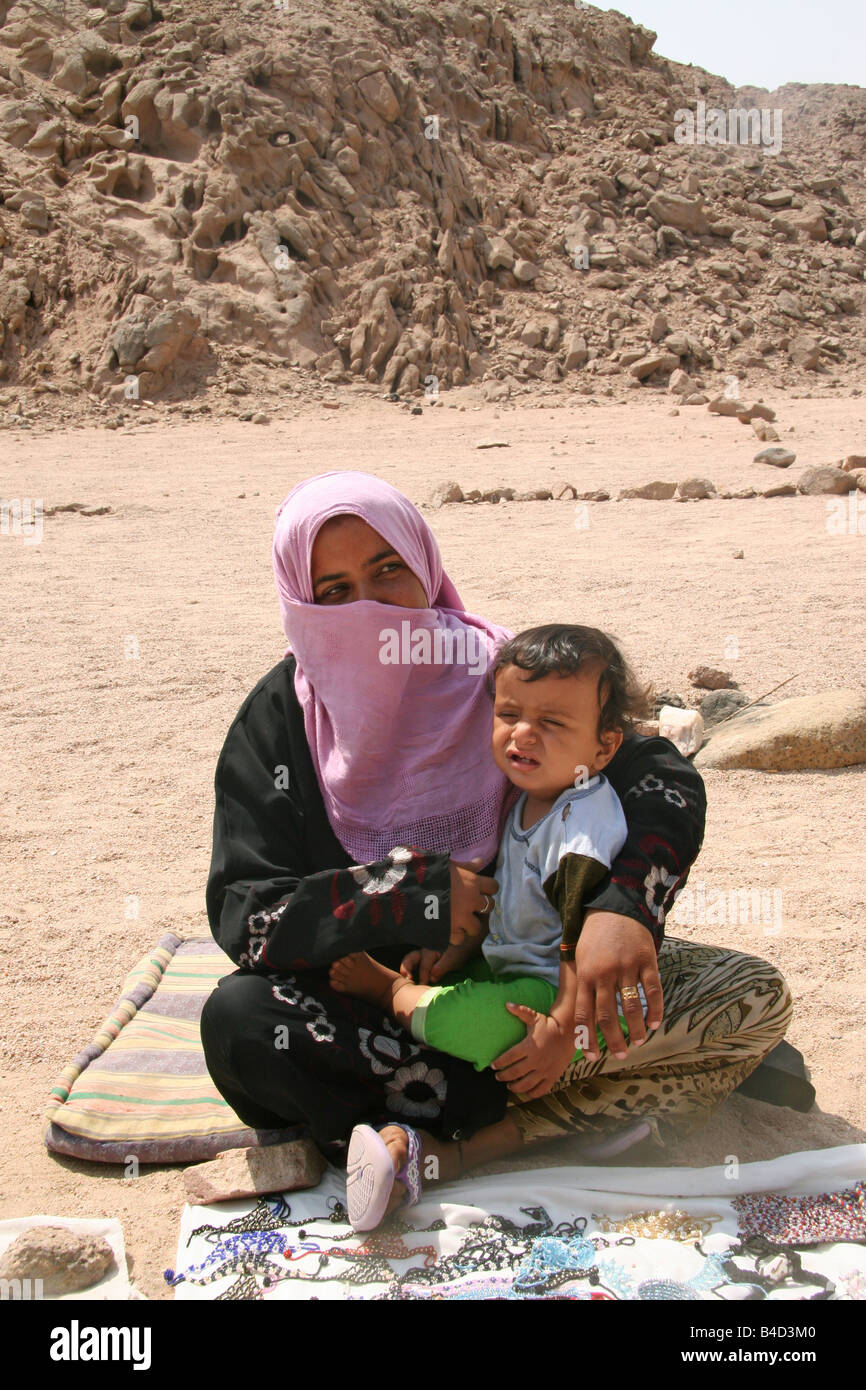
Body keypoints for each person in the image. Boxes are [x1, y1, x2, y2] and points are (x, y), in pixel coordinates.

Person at [200, 470, 792, 1231]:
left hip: (544, 997)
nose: (372, 608)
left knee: (752, 994)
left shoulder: (502, 676)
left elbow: (658, 774)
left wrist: (624, 907)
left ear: (425, 563)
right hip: (388, 1018)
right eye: (335, 590)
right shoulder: (279, 721)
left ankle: (437, 1139)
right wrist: (406, 893)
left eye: (388, 570)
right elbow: (246, 916)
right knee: (240, 1021)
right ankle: (524, 1122)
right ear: (301, 604)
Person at [329, 623, 650, 1084]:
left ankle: (391, 992)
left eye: (552, 722)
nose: (523, 734)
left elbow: (583, 935)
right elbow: (518, 897)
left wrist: (561, 1030)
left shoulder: (581, 821)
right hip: (520, 967)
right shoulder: (530, 795)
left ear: (604, 747)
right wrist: (463, 946)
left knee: (461, 1022)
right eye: (509, 714)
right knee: (460, 986)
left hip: (572, 993)